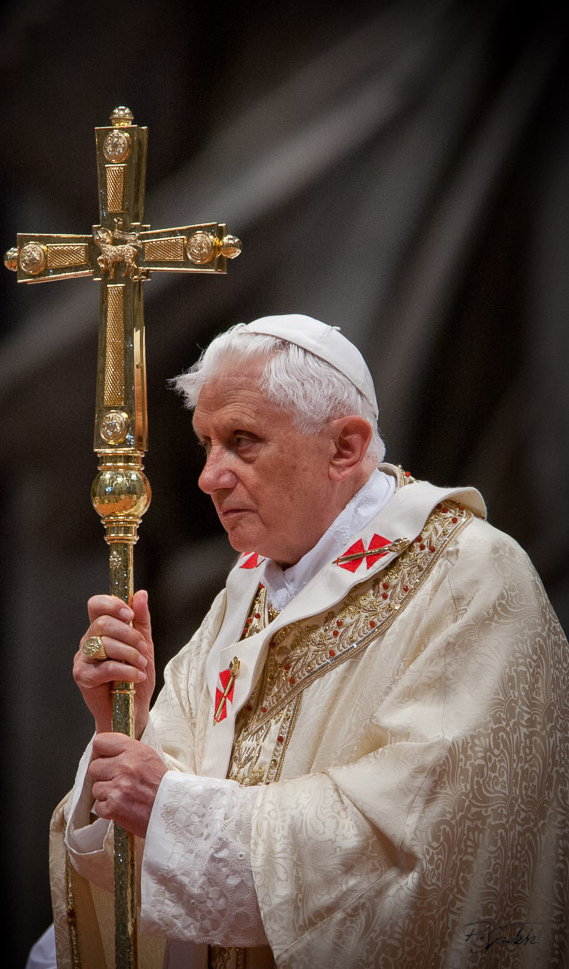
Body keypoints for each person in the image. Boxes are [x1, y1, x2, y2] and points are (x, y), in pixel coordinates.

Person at [30, 314, 568, 969]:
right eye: (205, 443)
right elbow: (158, 794)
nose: (209, 476)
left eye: (241, 441)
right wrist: (126, 722)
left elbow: (425, 843)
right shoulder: (245, 592)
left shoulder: (468, 577)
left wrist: (175, 810)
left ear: (344, 447)